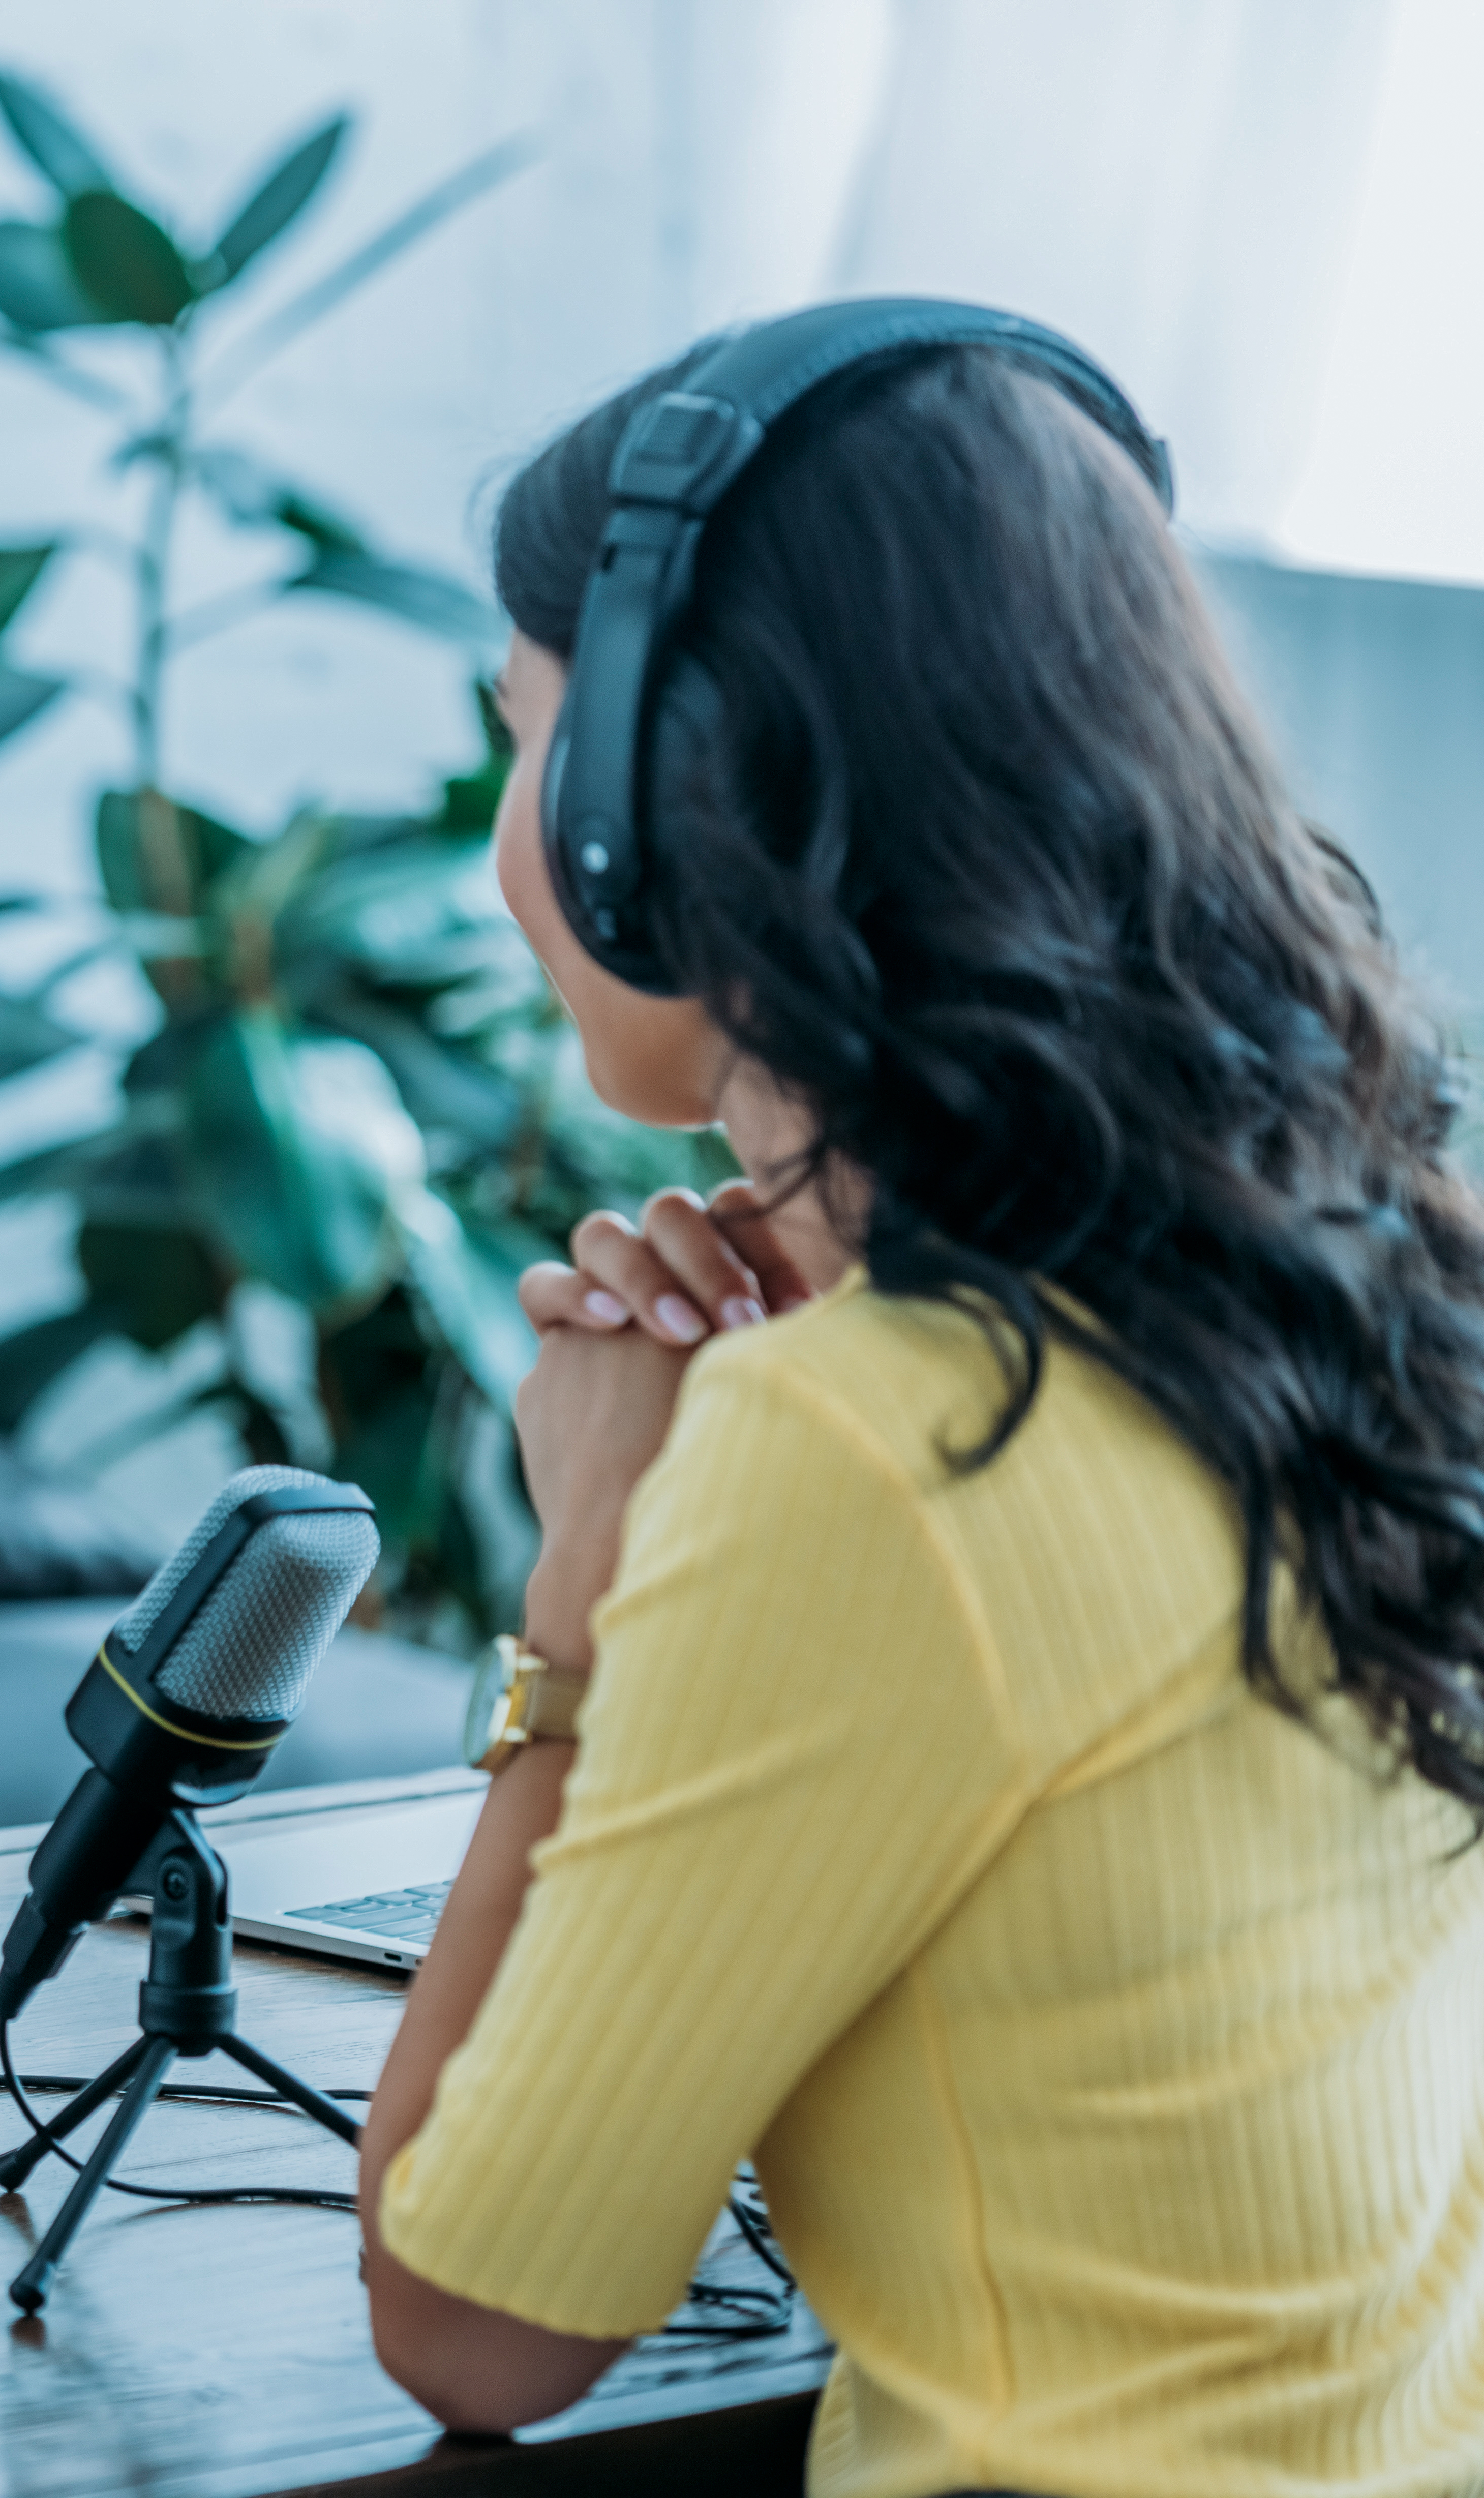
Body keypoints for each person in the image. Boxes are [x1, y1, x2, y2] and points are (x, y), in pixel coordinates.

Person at [354, 320, 1484, 2492]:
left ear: (632, 821)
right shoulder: (1392, 1271)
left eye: (520, 740)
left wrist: (586, 1576)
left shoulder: (870, 1447)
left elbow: (471, 2324)